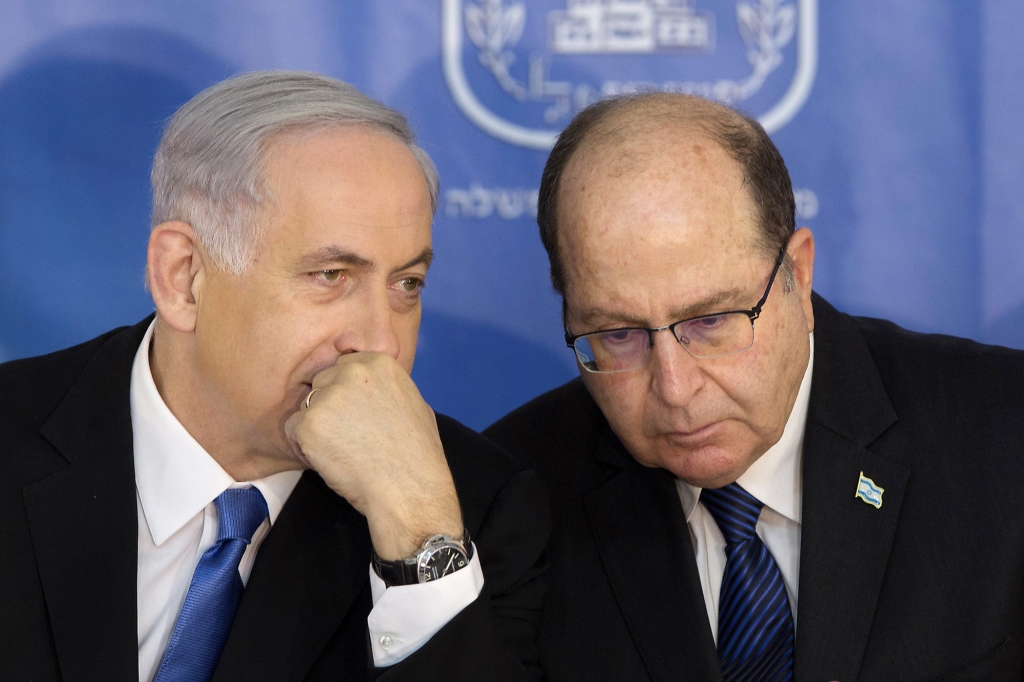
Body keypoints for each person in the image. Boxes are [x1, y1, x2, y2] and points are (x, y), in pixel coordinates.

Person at [0, 70, 548, 682]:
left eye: (406, 285)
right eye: (331, 276)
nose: (380, 343)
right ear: (184, 277)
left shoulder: (477, 510)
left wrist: (418, 537)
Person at [485, 92, 1024, 681]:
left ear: (798, 272)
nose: (675, 387)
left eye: (711, 321)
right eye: (616, 335)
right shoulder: (513, 497)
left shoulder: (1003, 434)